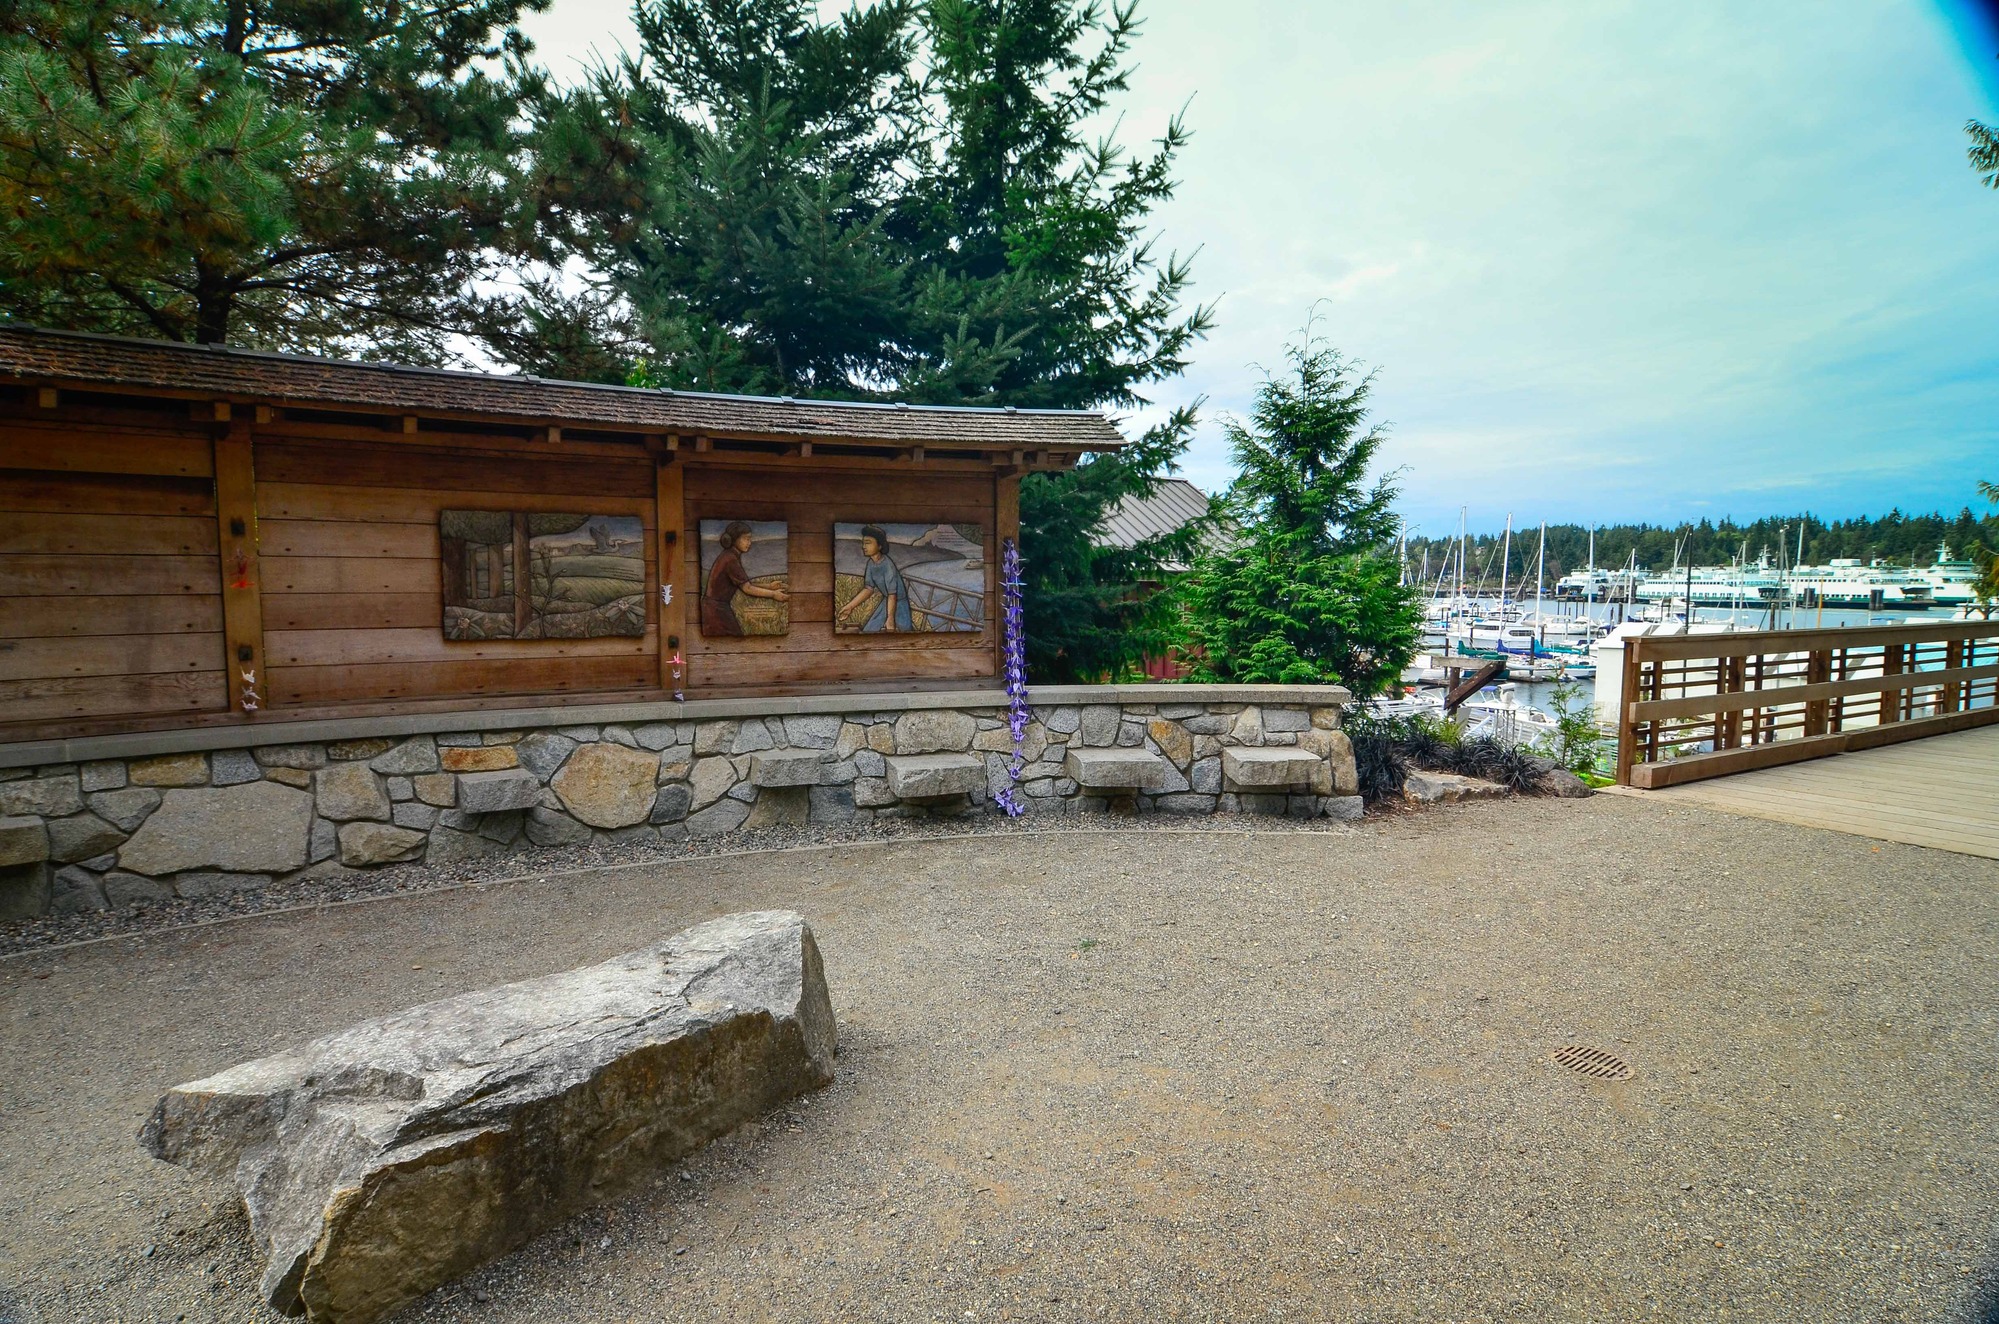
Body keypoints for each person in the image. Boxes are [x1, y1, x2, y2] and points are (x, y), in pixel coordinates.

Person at [701, 521, 787, 635]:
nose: (749, 543)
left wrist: (769, 586)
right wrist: (773, 594)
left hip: (714, 609)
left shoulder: (730, 555)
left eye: (750, 539)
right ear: (735, 539)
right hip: (716, 612)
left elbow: (744, 584)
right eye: (746, 539)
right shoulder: (730, 560)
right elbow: (748, 588)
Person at [840, 524, 914, 632]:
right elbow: (868, 589)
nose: (863, 546)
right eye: (863, 543)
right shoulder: (871, 563)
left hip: (899, 605)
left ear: (880, 546)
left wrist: (890, 618)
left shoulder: (888, 565)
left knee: (903, 635)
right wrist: (850, 607)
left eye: (868, 543)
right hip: (887, 602)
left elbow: (892, 594)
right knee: (869, 630)